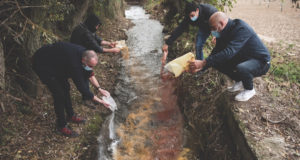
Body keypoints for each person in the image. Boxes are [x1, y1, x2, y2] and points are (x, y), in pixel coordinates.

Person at [32, 42, 111, 137]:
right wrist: (101, 101)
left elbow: (89, 74)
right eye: (90, 66)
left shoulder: (84, 53)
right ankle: (62, 125)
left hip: (59, 63)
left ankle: (70, 115)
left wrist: (99, 89)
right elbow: (82, 89)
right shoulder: (75, 65)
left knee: (66, 87)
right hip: (43, 64)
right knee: (59, 95)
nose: (91, 68)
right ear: (83, 61)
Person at [189, 12, 271, 102]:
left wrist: (204, 62)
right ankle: (240, 81)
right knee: (216, 62)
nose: (212, 31)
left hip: (261, 61)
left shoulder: (241, 28)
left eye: (213, 28)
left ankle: (249, 90)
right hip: (244, 58)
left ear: (222, 23)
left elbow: (229, 52)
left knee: (242, 67)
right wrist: (202, 66)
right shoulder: (222, 32)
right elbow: (217, 51)